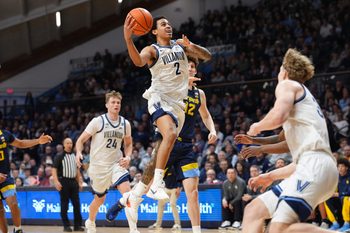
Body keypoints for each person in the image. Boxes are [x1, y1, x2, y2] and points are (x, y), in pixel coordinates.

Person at [107, 56, 216, 233]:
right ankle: (123, 201)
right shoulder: (171, 87)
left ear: (195, 70)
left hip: (186, 147)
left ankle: (197, 231)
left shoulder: (199, 94)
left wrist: (212, 130)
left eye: (192, 67)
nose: (189, 69)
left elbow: (205, 115)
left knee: (193, 193)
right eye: (185, 66)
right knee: (146, 187)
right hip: (166, 143)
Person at [238, 48, 338, 233]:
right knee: (254, 210)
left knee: (281, 229)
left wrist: (257, 127)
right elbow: (286, 144)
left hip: (315, 165)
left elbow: (278, 116)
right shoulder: (305, 104)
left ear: (284, 70)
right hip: (313, 166)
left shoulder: (287, 85)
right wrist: (269, 176)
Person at [124, 14, 211, 201]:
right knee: (170, 134)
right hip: (158, 98)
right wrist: (128, 39)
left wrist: (191, 47)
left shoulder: (180, 45)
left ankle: (136, 195)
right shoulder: (152, 49)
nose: (168, 26)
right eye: (163, 24)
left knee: (169, 141)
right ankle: (156, 185)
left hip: (177, 104)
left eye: (169, 24)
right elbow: (138, 61)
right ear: (154, 31)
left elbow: (207, 56)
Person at [75, 91, 139, 233]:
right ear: (107, 105)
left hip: (116, 164)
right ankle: (90, 221)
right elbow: (80, 140)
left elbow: (128, 144)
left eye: (118, 103)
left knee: (129, 195)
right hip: (98, 167)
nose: (116, 105)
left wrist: (128, 157)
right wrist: (79, 152)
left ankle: (133, 230)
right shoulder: (98, 122)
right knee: (99, 200)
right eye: (113, 102)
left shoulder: (125, 123)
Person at [0, 130, 52, 233]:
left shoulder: (4, 133)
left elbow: (20, 143)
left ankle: (18, 229)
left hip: (6, 177)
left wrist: (38, 141)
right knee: (0, 211)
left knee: (13, 203)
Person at [52, 138, 84, 232]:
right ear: (64, 145)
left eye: (70, 143)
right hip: (64, 182)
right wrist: (56, 181)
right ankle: (66, 226)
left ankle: (77, 226)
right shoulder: (59, 156)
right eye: (67, 143)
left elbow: (77, 170)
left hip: (73, 182)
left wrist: (80, 182)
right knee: (64, 205)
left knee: (77, 205)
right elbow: (54, 169)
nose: (69, 144)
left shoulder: (75, 156)